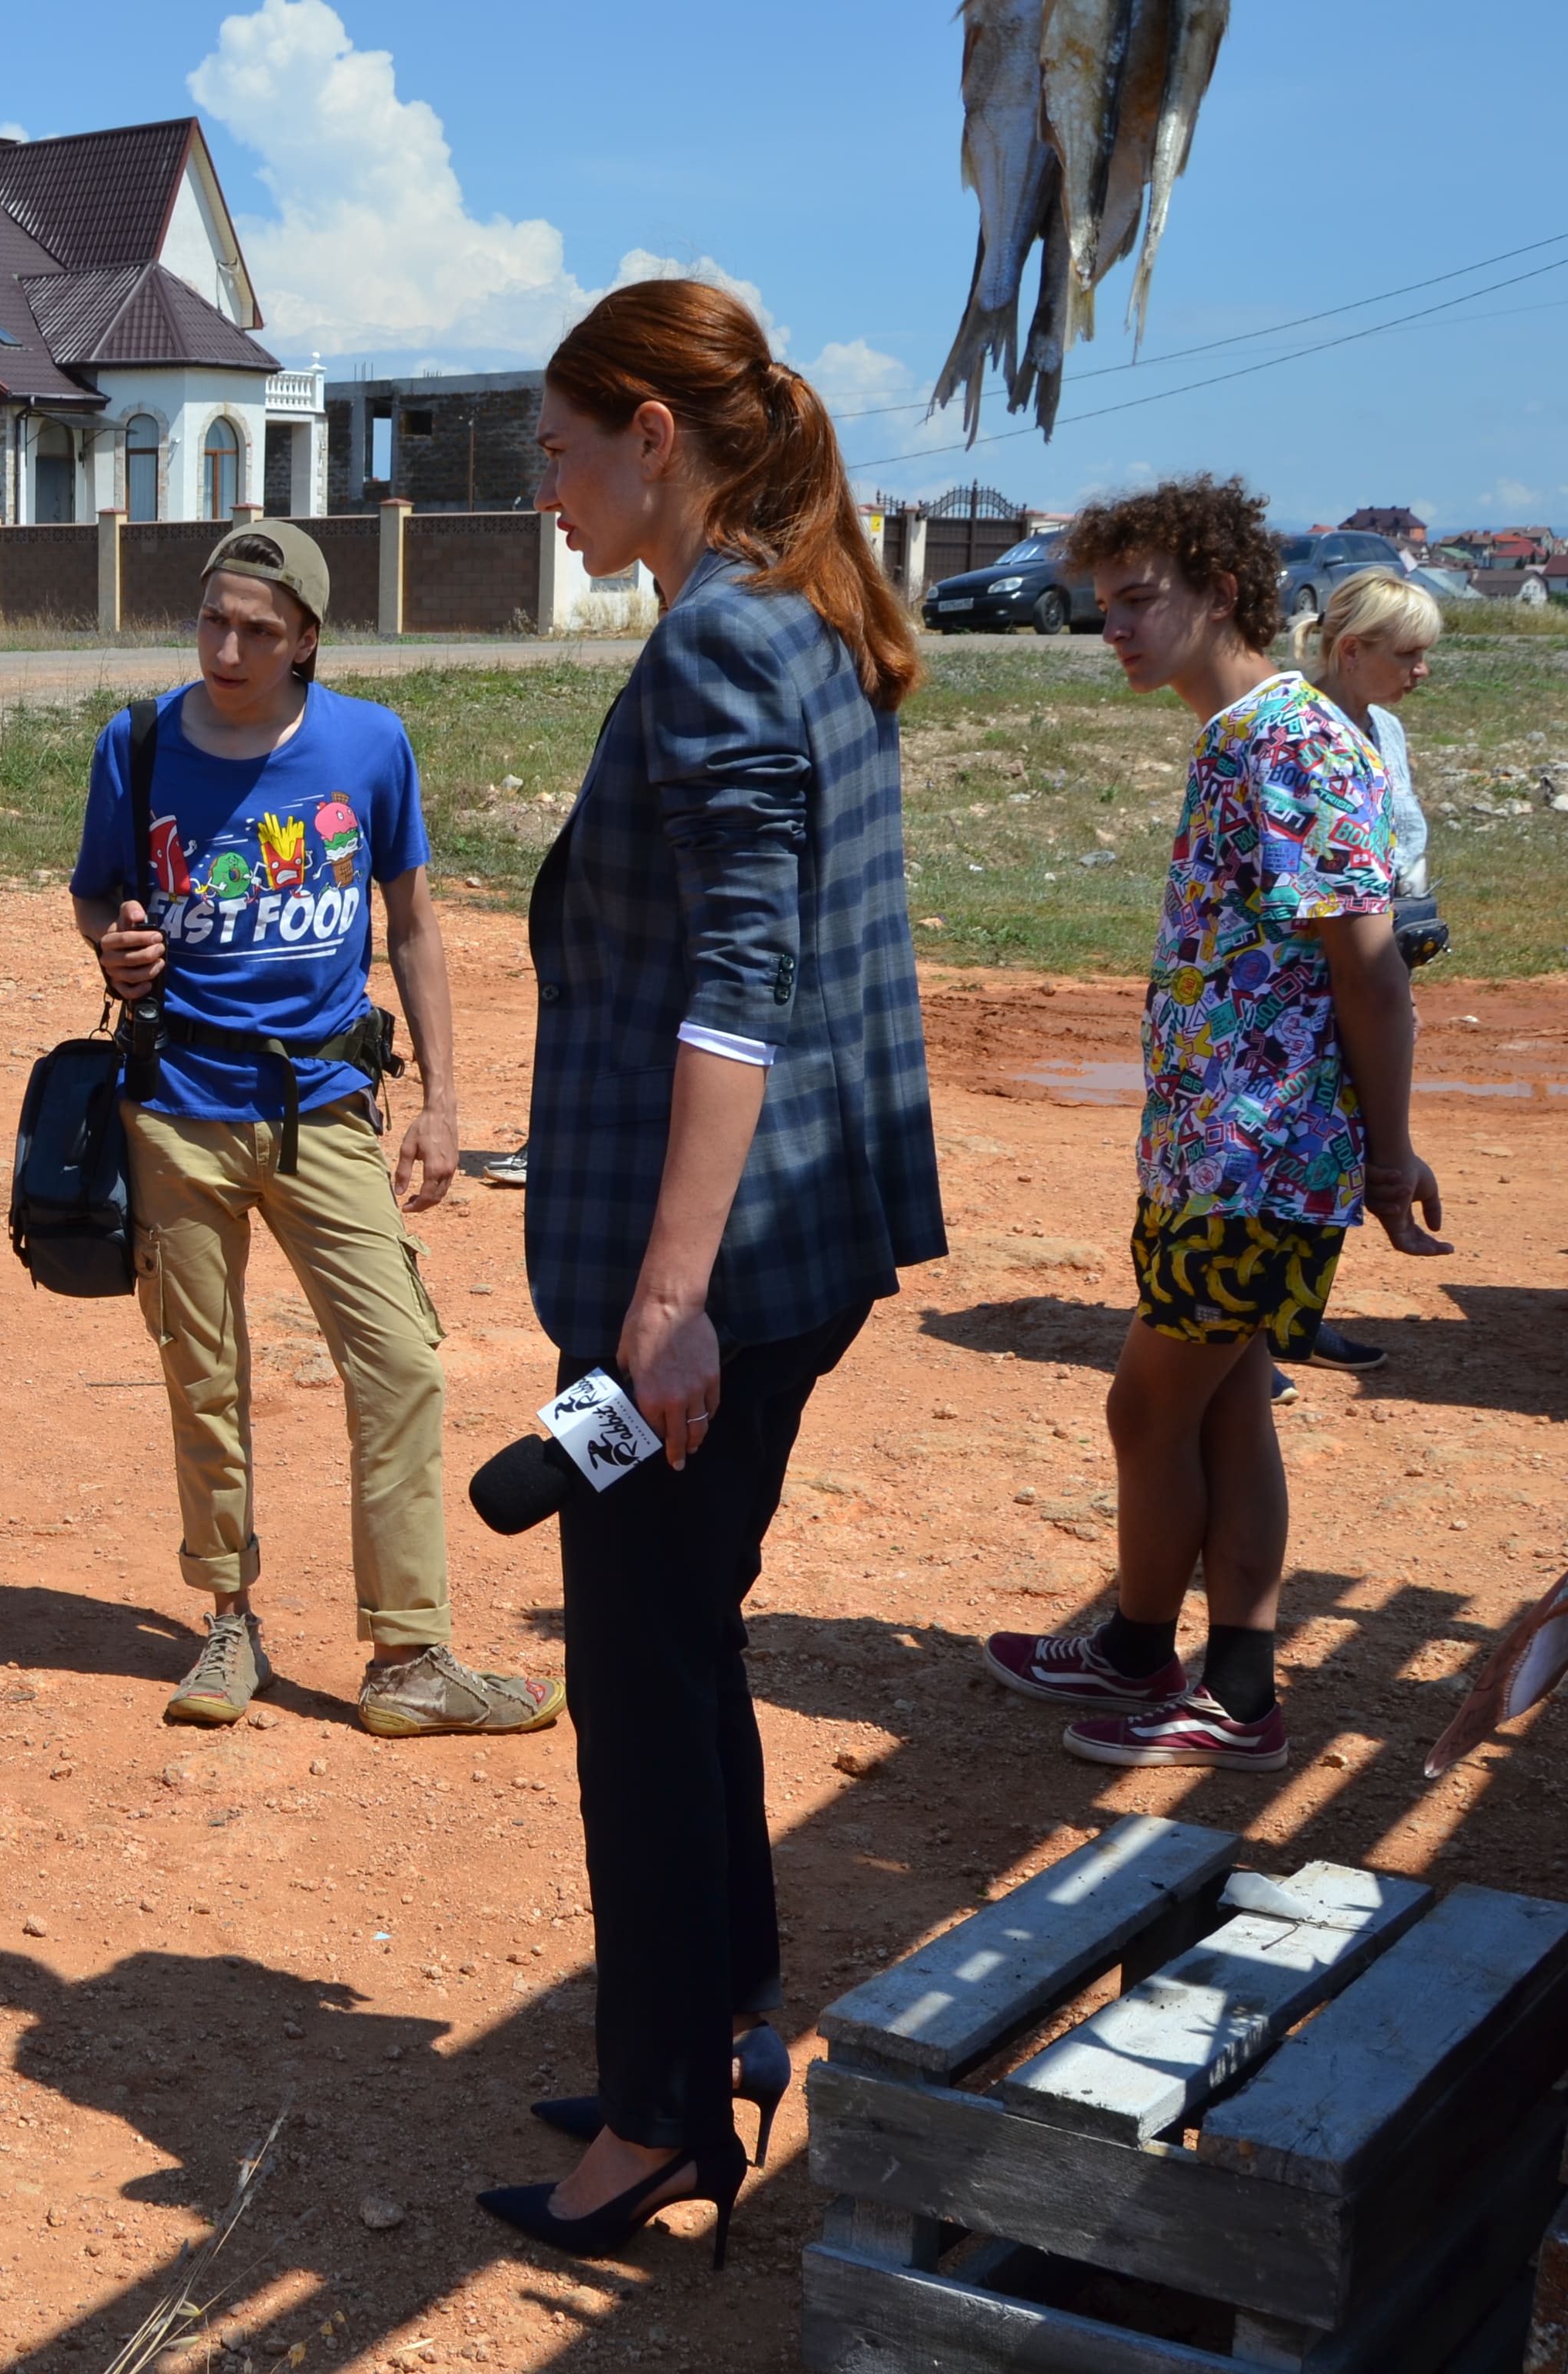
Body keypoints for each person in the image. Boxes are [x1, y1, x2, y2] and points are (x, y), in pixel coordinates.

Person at [487, 281, 945, 2263]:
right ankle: (712, 2024)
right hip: (787, 1254)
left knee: (646, 1682)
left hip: (710, 1282)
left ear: (653, 440)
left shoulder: (720, 645)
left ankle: (667, 2112)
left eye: (564, 452)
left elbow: (737, 999)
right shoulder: (796, 615)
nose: (548, 488)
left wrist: (661, 1303)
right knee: (683, 1650)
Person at [984, 478, 1447, 1774]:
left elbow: (1368, 964)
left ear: (1218, 592)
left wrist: (1390, 1146)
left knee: (1148, 1412)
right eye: (1100, 607)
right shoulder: (1242, 734)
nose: (1113, 630)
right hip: (1216, 1148)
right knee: (1226, 1407)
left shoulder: (1288, 738)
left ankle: (1185, 1669)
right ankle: (1188, 1667)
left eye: (1137, 600)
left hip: (1260, 1153)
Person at [71, 520, 557, 1742]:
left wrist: (447, 1102)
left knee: (399, 1363)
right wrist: (113, 944)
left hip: (328, 1110)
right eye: (213, 621)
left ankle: (408, 1655)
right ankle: (227, 1619)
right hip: (178, 1109)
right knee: (206, 1372)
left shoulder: (368, 744)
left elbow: (415, 927)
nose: (227, 649)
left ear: (308, 642)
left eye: (258, 630)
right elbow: (96, 892)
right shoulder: (133, 746)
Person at [1275, 569, 1448, 1376]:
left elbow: (1399, 840)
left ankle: (1295, 1318)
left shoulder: (1384, 729)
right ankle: (1241, 1335)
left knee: (1336, 1144)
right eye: (1409, 654)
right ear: (1352, 649)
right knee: (1284, 1145)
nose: (1423, 671)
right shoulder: (1300, 731)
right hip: (1307, 977)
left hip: (1378, 953)